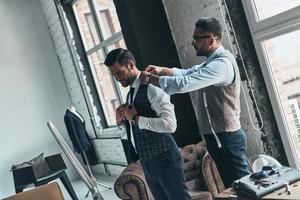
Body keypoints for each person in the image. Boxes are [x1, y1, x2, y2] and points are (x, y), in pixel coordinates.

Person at [140, 17, 249, 187]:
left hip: (227, 138)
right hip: (219, 138)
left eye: (197, 39)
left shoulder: (221, 65)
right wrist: (162, 70)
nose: (193, 43)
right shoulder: (212, 61)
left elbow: (185, 83)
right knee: (234, 188)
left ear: (211, 39)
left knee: (245, 188)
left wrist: (151, 79)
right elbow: (189, 73)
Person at [104, 48, 190, 200]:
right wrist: (122, 120)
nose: (117, 78)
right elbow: (136, 127)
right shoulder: (131, 93)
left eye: (119, 73)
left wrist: (137, 118)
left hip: (165, 158)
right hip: (147, 161)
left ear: (131, 64)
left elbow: (171, 125)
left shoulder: (152, 87)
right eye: (114, 75)